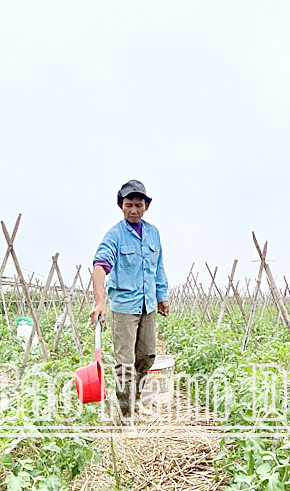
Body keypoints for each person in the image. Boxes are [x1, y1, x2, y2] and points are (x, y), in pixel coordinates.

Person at [90, 179, 169, 421]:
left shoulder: (153, 233)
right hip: (124, 307)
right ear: (121, 206)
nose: (133, 210)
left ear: (146, 206)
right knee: (125, 363)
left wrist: (162, 296)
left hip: (148, 304)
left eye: (138, 205)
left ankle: (135, 401)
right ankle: (125, 417)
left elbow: (158, 267)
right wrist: (100, 301)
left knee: (147, 356)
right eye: (128, 205)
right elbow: (100, 266)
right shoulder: (114, 235)